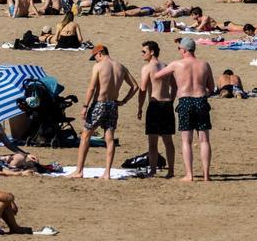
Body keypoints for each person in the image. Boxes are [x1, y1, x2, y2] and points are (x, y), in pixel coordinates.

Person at [69, 45, 139, 180]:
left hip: (99, 104)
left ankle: (79, 170)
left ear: (100, 53)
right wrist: (124, 101)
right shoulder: (121, 67)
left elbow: (91, 88)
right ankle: (107, 173)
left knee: (85, 136)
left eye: (95, 57)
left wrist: (85, 106)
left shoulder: (99, 66)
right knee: (110, 138)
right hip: (113, 104)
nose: (95, 60)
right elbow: (135, 86)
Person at [154, 38, 216, 181]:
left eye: (179, 48)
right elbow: (211, 88)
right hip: (200, 100)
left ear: (184, 50)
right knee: (204, 140)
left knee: (186, 141)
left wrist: (173, 80)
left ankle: (190, 175)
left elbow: (157, 76)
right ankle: (206, 175)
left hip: (185, 100)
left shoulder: (177, 64)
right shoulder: (204, 65)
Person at [137, 41, 176, 178]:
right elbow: (174, 86)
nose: (142, 53)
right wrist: (171, 100)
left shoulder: (147, 68)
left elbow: (142, 89)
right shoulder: (166, 66)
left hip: (154, 104)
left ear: (152, 52)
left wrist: (140, 107)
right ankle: (171, 170)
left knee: (152, 141)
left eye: (144, 51)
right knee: (168, 140)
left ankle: (153, 170)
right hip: (166, 104)